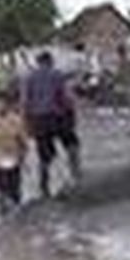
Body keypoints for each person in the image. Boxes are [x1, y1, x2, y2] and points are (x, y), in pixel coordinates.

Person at [22, 51, 81, 197]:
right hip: (57, 117)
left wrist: (27, 125)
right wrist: (72, 115)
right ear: (50, 61)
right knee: (72, 144)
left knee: (44, 155)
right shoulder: (57, 75)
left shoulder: (29, 78)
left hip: (38, 120)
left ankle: (44, 186)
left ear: (38, 62)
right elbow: (65, 98)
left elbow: (25, 103)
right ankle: (76, 173)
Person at [0, 91, 30, 217]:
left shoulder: (16, 121)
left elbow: (23, 141)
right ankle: (4, 213)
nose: (0, 106)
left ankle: (17, 211)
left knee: (15, 187)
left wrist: (24, 157)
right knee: (2, 188)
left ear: (9, 105)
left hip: (14, 158)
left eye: (3, 104)